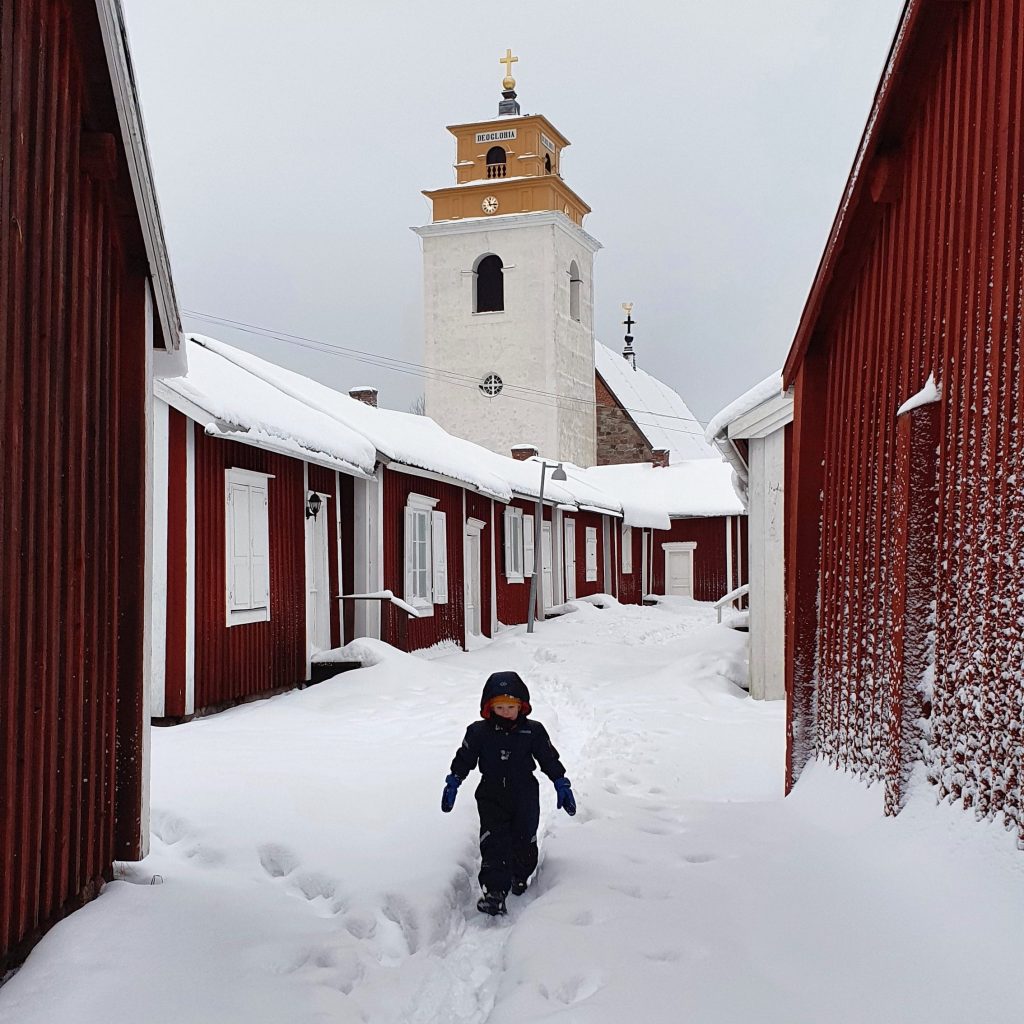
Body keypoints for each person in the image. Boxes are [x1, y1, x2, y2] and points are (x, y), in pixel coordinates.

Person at [440, 670, 576, 916]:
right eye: (499, 707)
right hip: (491, 792)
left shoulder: (533, 731)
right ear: (489, 707)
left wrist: (560, 781)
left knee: (524, 837)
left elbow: (548, 757)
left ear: (521, 706)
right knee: (494, 840)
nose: (505, 712)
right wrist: (454, 780)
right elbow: (465, 758)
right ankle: (494, 891)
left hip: (524, 791)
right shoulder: (478, 732)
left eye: (510, 707)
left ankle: (520, 874)